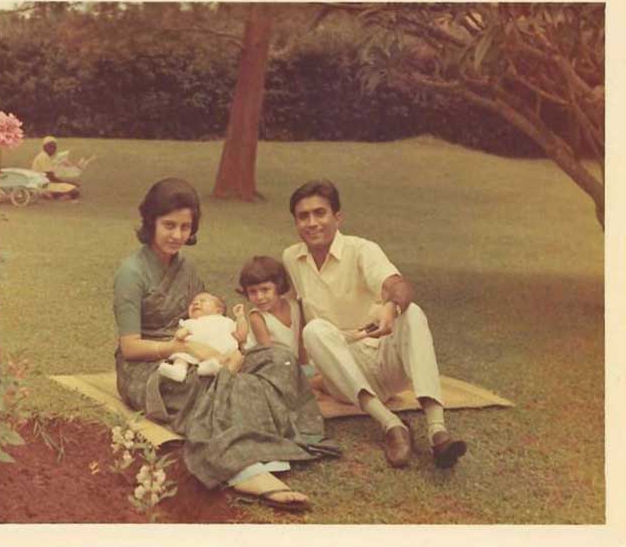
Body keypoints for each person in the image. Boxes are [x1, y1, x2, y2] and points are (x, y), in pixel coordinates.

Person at [113, 178, 339, 512]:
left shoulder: (185, 267)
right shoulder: (131, 273)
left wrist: (232, 347)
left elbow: (205, 318)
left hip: (202, 350)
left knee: (277, 358)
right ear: (150, 223)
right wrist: (184, 350)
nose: (177, 235)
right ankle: (246, 470)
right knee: (215, 382)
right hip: (152, 366)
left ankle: (283, 435)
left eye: (185, 226)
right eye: (169, 225)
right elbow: (130, 347)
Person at [282, 179, 467, 469]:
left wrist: (392, 306)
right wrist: (297, 369)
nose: (312, 222)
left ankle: (437, 430)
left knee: (413, 311)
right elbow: (293, 311)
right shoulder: (292, 257)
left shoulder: (362, 250)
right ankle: (391, 425)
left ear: (337, 217)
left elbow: (399, 285)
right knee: (314, 330)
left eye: (320, 213)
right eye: (303, 216)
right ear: (296, 223)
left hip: (383, 363)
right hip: (341, 374)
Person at [158, 292, 248, 382]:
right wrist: (181, 334)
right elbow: (180, 334)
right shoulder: (190, 322)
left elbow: (241, 336)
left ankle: (215, 370)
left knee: (237, 356)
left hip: (224, 351)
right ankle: (178, 370)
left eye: (202, 301)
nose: (196, 303)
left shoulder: (226, 321)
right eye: (192, 303)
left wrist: (240, 317)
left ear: (219, 311)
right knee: (181, 356)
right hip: (196, 351)